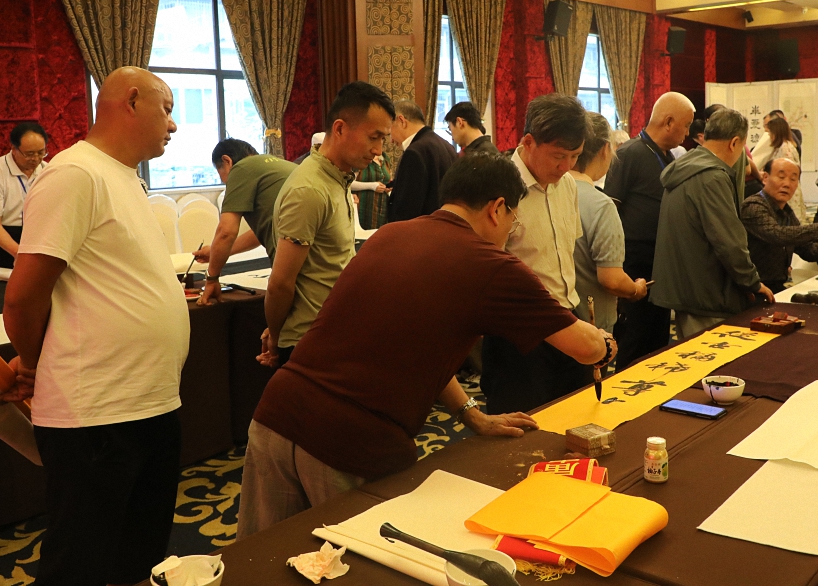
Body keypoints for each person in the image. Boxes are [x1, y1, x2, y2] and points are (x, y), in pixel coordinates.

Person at [236, 153, 615, 534]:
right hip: (348, 440)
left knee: (260, 557)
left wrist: (471, 414)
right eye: (514, 220)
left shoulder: (391, 235)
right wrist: (606, 344)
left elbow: (420, 347)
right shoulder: (490, 264)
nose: (510, 232)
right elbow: (585, 348)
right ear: (497, 208)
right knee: (357, 558)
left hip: (276, 414)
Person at [0, 67, 188, 586]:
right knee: (80, 562)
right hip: (97, 413)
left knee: (139, 554)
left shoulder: (123, 176)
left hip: (149, 400)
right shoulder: (74, 173)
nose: (173, 125)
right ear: (131, 100)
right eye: (167, 109)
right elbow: (22, 296)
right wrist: (31, 363)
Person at [262, 82, 395, 368]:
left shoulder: (339, 177)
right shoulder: (309, 189)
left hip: (336, 331)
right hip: (311, 343)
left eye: (383, 139)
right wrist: (276, 335)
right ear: (340, 129)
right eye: (374, 137)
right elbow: (280, 284)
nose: (378, 150)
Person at [481, 93, 589, 415]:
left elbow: (566, 255)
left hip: (568, 318)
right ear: (528, 142)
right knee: (525, 427)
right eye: (558, 156)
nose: (566, 166)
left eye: (575, 156)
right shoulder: (496, 187)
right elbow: (485, 270)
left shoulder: (567, 184)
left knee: (577, 416)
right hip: (520, 335)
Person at [650, 109, 775, 339]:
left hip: (687, 287)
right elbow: (729, 242)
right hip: (707, 292)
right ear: (734, 143)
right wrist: (753, 283)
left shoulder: (686, 165)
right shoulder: (712, 177)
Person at [603, 92, 695, 368]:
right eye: (686, 126)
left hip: (661, 265)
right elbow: (610, 212)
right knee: (634, 342)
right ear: (668, 122)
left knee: (657, 344)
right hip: (634, 265)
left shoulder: (669, 157)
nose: (688, 134)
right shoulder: (629, 154)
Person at [569, 112, 648, 334]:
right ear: (605, 149)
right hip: (591, 324)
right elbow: (611, 279)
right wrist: (635, 289)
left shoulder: (550, 191)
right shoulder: (601, 205)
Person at [194, 139, 297, 305]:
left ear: (227, 161)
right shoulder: (284, 165)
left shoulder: (240, 169)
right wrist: (215, 251)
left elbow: (226, 232)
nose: (225, 182)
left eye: (220, 173)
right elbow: (261, 232)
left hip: (291, 265)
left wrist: (212, 278)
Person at [741, 158, 818, 293]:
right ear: (765, 178)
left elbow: (807, 250)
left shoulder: (786, 212)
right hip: (752, 288)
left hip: (776, 287)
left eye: (793, 179)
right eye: (781, 177)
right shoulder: (753, 205)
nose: (787, 184)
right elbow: (778, 235)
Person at [0, 121, 49, 271]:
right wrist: (18, 253)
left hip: (38, 236)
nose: (36, 158)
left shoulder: (47, 170)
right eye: (29, 154)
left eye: (41, 152)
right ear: (14, 149)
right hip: (4, 240)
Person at [388, 101, 458, 222]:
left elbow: (407, 210)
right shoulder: (447, 146)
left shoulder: (414, 152)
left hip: (423, 229)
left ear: (401, 121)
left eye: (390, 130)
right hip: (445, 225)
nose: (391, 140)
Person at [762, 116, 806, 222]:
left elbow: (788, 171)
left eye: (770, 133)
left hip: (786, 188)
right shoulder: (784, 146)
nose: (769, 136)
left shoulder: (785, 148)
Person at [353, 153, 391, 229]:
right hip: (364, 205)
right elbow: (348, 183)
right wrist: (372, 186)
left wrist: (387, 187)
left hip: (382, 206)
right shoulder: (359, 158)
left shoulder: (385, 158)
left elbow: (387, 179)